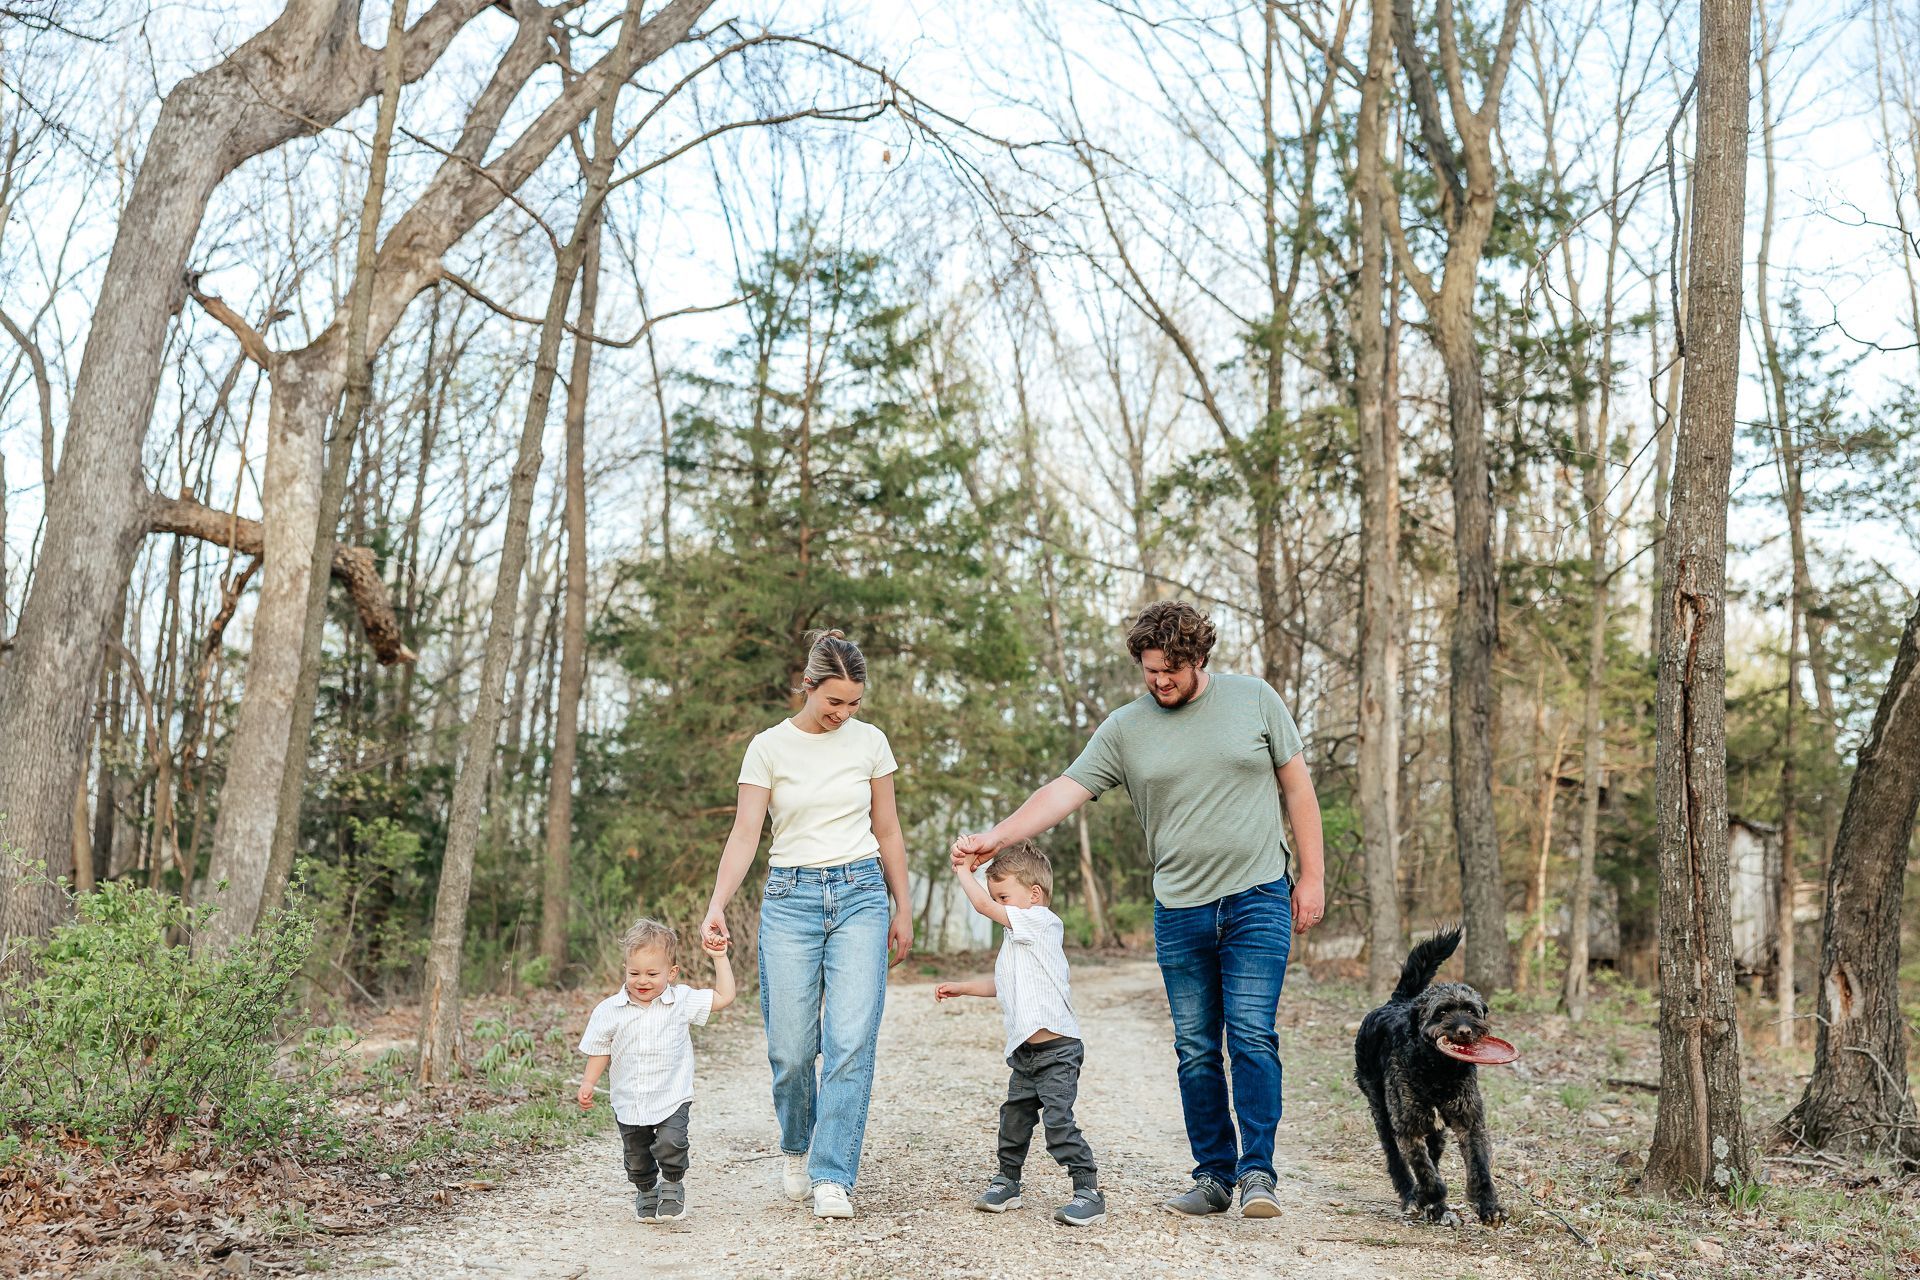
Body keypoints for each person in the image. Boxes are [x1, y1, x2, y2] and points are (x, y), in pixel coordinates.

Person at [952, 601, 1325, 1220]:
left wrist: (1311, 877)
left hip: (1258, 895)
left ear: (1199, 658)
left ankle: (1259, 1174)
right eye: (1150, 670)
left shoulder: (1255, 699)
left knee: (1252, 1036)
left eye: (1171, 670)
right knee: (1196, 1047)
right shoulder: (1126, 728)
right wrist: (997, 836)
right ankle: (1212, 1176)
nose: (1160, 682)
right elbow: (1062, 792)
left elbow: (1297, 787)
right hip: (1180, 908)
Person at [701, 629, 914, 1220]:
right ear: (808, 686)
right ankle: (798, 1144)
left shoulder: (871, 742)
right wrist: (717, 903)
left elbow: (889, 829)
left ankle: (832, 1174)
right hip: (791, 898)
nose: (844, 715)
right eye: (833, 703)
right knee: (792, 1048)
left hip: (861, 894)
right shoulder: (767, 747)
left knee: (850, 1040)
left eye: (854, 705)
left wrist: (904, 905)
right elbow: (746, 833)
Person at [934, 841, 1106, 1227]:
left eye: (1004, 897)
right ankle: (1007, 1182)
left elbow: (981, 906)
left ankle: (1088, 1191)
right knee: (1013, 1119)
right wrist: (962, 986)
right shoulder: (1017, 936)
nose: (999, 906)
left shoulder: (1042, 922)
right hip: (1025, 1053)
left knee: (1058, 1123)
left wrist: (963, 869)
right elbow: (1002, 982)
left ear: (1034, 895)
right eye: (997, 898)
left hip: (1058, 1050)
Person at [576, 918, 736, 1223]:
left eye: (652, 973)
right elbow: (600, 1049)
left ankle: (673, 1185)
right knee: (636, 1157)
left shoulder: (681, 1001)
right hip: (630, 1099)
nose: (642, 980)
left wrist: (719, 957)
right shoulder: (610, 1010)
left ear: (671, 973)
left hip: (671, 1095)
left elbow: (724, 997)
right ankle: (646, 1190)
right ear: (625, 970)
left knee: (671, 1142)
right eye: (634, 973)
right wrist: (588, 1082)